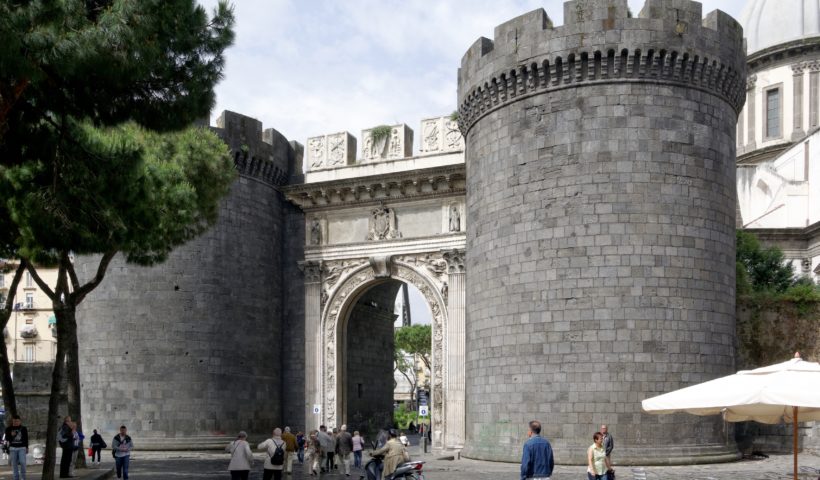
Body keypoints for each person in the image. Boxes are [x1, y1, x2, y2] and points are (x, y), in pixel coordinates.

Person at [4, 415, 29, 480]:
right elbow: (7, 439)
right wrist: (11, 435)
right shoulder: (8, 429)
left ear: (20, 421)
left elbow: (26, 438)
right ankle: (16, 478)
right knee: (14, 464)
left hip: (22, 448)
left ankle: (23, 477)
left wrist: (27, 447)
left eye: (17, 421)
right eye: (14, 421)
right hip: (13, 448)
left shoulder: (23, 428)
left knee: (22, 462)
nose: (16, 423)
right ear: (12, 421)